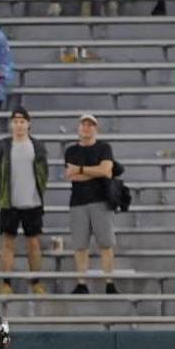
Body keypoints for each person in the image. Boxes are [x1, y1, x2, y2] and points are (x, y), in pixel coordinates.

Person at [0, 108, 49, 295]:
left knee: (33, 243)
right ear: (11, 124)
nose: (19, 125)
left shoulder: (37, 146)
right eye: (15, 121)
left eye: (22, 121)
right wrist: (1, 194)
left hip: (32, 202)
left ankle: (36, 281)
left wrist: (39, 191)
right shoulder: (4, 146)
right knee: (8, 243)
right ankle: (6, 282)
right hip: (10, 203)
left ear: (28, 124)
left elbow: (43, 172)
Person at [64, 113, 117, 295]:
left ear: (96, 128)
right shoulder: (71, 151)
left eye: (90, 125)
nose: (86, 128)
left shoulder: (104, 148)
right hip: (78, 201)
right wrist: (95, 171)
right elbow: (72, 176)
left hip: (101, 200)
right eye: (83, 125)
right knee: (80, 245)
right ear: (78, 128)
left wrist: (81, 169)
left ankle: (109, 281)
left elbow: (106, 171)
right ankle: (81, 282)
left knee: (106, 243)